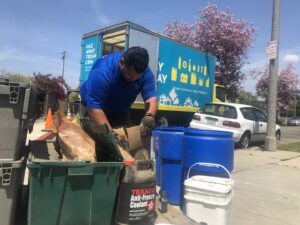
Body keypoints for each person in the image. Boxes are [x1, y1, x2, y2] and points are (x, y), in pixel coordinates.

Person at [80, 46, 157, 137]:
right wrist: (112, 136)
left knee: (124, 142)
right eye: (129, 75)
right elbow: (95, 108)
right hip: (93, 107)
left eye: (136, 78)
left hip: (120, 109)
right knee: (96, 143)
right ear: (122, 62)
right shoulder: (102, 72)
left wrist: (149, 117)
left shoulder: (146, 73)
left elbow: (151, 99)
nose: (132, 80)